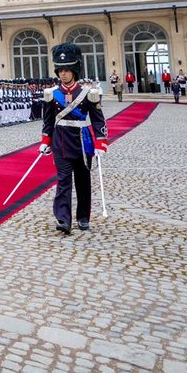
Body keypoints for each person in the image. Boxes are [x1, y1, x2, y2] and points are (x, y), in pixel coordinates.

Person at [39, 43, 109, 234]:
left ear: (74, 71)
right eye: (60, 70)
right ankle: (63, 219)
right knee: (63, 181)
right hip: (60, 142)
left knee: (83, 181)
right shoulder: (52, 94)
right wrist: (45, 141)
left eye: (67, 70)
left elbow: (98, 120)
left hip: (82, 142)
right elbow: (48, 121)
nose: (63, 74)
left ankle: (83, 217)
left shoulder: (88, 94)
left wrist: (101, 142)